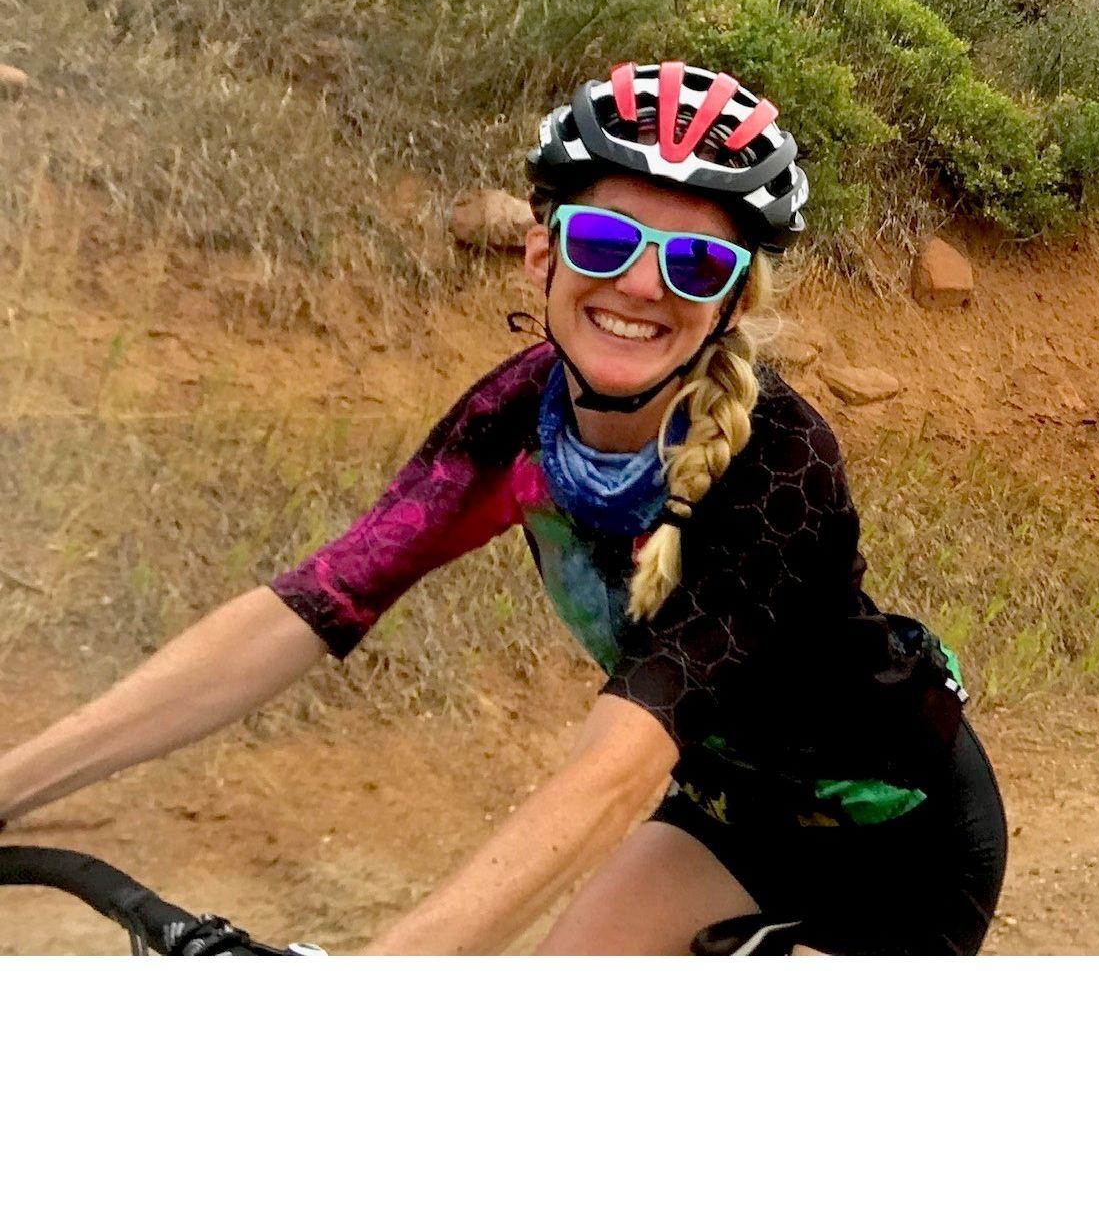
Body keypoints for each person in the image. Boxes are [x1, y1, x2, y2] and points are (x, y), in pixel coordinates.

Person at [0, 60, 1007, 954]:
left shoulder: (778, 460)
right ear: (541, 254)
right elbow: (310, 606)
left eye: (696, 262)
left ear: (733, 301)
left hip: (903, 842)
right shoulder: (516, 420)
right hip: (730, 813)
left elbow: (620, 764)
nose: (641, 285)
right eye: (604, 240)